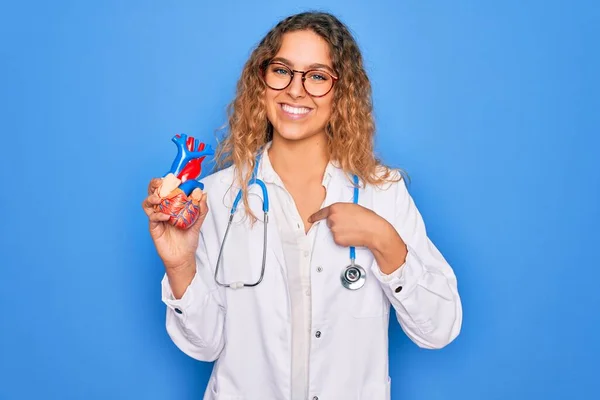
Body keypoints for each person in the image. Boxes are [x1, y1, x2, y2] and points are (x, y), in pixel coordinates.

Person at [142, 11, 462, 400]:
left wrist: (385, 241)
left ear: (341, 92)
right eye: (282, 71)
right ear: (261, 82)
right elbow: (203, 346)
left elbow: (440, 329)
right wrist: (180, 266)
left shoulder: (384, 192)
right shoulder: (216, 197)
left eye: (317, 76)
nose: (296, 90)